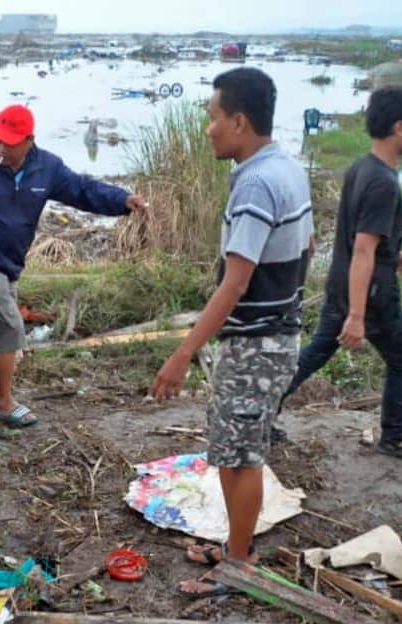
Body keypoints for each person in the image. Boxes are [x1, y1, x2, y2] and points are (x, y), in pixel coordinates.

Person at [148, 68, 313, 595]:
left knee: (239, 458)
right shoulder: (287, 167)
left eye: (213, 117)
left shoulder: (257, 184)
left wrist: (181, 356)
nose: (208, 129)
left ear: (239, 121)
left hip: (255, 344)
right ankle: (237, 547)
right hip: (279, 334)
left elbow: (234, 283)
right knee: (241, 450)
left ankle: (237, 569)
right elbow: (307, 247)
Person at [0, 104, 146, 427]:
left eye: (10, 142)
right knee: (10, 326)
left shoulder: (47, 168)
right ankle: (3, 402)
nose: (2, 147)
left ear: (29, 140)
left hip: (9, 264)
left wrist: (122, 200)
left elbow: (83, 190)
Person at [276, 87, 402, 464]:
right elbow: (363, 249)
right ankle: (395, 439)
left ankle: (260, 414)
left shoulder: (361, 167)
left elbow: (361, 238)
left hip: (342, 282)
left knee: (315, 353)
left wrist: (394, 253)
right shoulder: (382, 181)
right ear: (399, 127)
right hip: (371, 294)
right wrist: (357, 315)